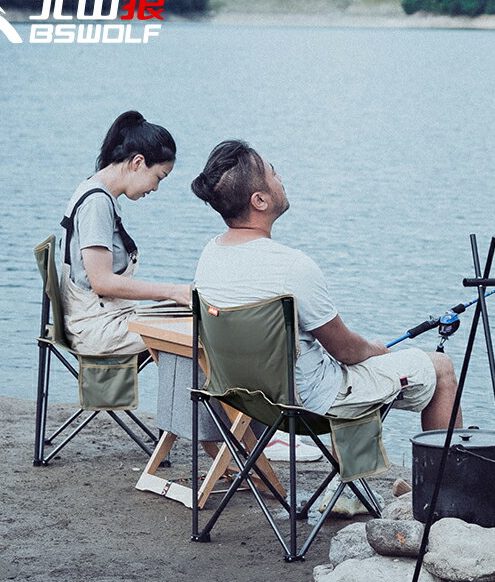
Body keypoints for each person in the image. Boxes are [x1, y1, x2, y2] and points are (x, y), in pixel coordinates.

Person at [190, 139, 462, 433]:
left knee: (349, 369)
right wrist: (376, 350)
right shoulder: (293, 266)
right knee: (440, 367)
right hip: (310, 405)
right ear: (260, 200)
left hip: (246, 399)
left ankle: (363, 474)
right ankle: (444, 480)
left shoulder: (210, 253)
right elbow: (345, 351)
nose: (281, 180)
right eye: (274, 174)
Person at [60, 110, 190, 356]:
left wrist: (175, 296)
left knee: (191, 315)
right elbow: (102, 282)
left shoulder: (98, 193)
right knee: (192, 330)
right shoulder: (96, 203)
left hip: (106, 317)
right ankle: (191, 395)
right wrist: (173, 291)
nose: (155, 188)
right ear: (138, 163)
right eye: (159, 177)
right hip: (96, 329)